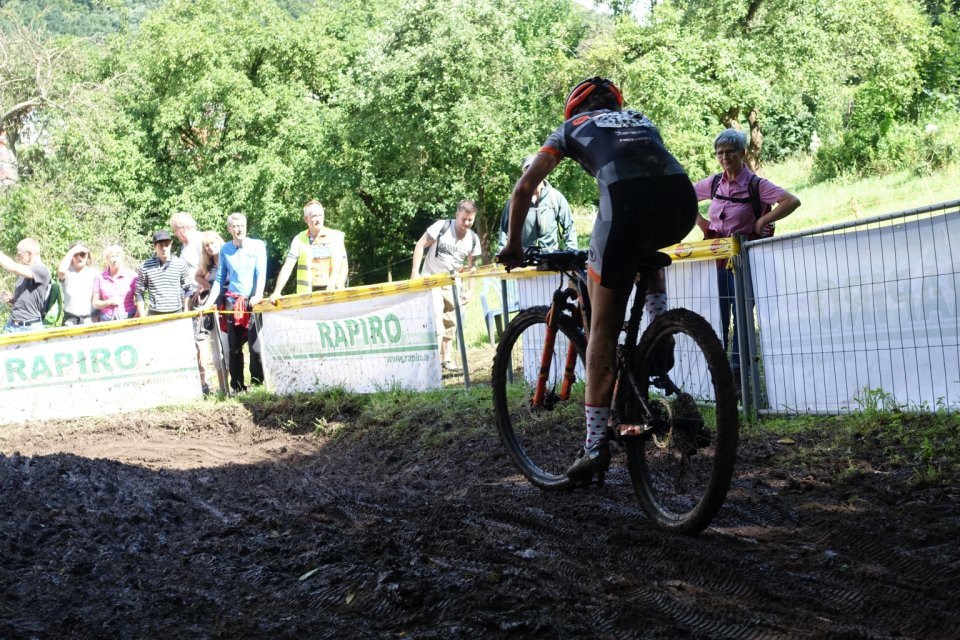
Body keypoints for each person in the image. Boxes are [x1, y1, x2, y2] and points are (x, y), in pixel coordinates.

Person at [498, 77, 698, 481]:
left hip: (625, 208)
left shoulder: (570, 128)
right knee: (646, 243)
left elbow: (524, 189)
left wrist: (515, 246)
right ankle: (660, 335)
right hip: (682, 202)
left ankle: (594, 448)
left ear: (575, 109)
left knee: (602, 334)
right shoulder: (640, 120)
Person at [693, 128, 801, 386]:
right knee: (717, 317)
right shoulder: (715, 182)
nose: (724, 157)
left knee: (741, 319)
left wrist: (764, 219)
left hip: (743, 263)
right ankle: (718, 376)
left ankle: (739, 377)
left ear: (742, 153)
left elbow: (791, 201)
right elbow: (683, 195)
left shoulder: (756, 185)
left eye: (730, 151)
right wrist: (701, 223)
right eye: (720, 153)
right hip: (715, 261)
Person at [198, 213, 267, 393]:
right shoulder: (225, 250)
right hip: (232, 303)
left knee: (255, 348)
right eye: (235, 226)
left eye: (242, 225)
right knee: (234, 349)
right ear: (229, 229)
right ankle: (237, 387)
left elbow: (261, 273)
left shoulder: (258, 246)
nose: (239, 229)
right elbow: (219, 280)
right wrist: (207, 305)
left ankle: (258, 385)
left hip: (252, 303)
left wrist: (258, 295)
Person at [410, 199, 482, 371]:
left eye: (470, 220)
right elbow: (420, 244)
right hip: (431, 278)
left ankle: (446, 359)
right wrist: (415, 272)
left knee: (451, 321)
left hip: (453, 283)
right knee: (435, 318)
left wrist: (470, 290)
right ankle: (431, 363)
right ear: (457, 215)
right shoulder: (441, 227)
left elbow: (472, 266)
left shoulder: (473, 239)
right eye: (463, 219)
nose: (466, 223)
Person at [268, 200, 348, 304]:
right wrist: (277, 292)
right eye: (314, 216)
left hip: (332, 295)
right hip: (307, 298)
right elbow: (288, 266)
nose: (318, 219)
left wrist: (338, 288)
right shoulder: (299, 239)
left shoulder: (335, 236)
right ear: (306, 219)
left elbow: (344, 266)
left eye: (320, 215)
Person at [497, 154, 577, 252]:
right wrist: (502, 255)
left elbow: (569, 226)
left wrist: (572, 252)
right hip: (525, 259)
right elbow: (504, 230)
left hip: (551, 258)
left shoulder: (555, 197)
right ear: (524, 173)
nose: (533, 174)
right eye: (528, 170)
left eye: (536, 169)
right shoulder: (516, 201)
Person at [170, 211, 212, 393]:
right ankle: (200, 380)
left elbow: (211, 263)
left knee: (201, 339)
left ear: (183, 228)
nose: (175, 235)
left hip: (202, 294)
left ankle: (207, 381)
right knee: (194, 339)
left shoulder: (199, 240)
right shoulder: (185, 246)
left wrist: (204, 284)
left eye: (175, 230)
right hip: (189, 295)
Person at [195, 230, 229, 394]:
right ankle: (223, 388)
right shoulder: (207, 265)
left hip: (229, 306)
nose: (210, 247)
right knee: (217, 349)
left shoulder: (228, 258)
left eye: (212, 243)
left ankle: (234, 385)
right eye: (206, 245)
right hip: (213, 306)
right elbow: (198, 276)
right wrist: (210, 287)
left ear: (219, 242)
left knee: (229, 347)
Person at [0, 237, 51, 333]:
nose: (17, 258)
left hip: (30, 328)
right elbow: (28, 300)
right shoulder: (25, 273)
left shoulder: (42, 271)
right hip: (12, 325)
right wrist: (12, 299)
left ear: (30, 254)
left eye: (20, 255)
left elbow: (13, 267)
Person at [135, 230, 190, 317]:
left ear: (171, 244)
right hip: (154, 314)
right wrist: (142, 317)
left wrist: (186, 310)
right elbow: (139, 293)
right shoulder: (145, 267)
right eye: (161, 245)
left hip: (176, 312)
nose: (164, 248)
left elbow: (188, 288)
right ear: (154, 246)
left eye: (166, 245)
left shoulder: (180, 264)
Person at [92, 244, 137, 321]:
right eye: (112, 256)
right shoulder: (100, 277)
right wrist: (109, 302)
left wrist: (137, 316)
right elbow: (95, 303)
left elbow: (140, 299)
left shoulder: (132, 276)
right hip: (106, 319)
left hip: (129, 318)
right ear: (107, 259)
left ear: (122, 258)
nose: (115, 259)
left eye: (117, 256)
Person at [57, 241, 97, 325]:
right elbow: (61, 271)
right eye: (76, 254)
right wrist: (73, 250)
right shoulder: (67, 272)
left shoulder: (94, 273)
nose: (79, 257)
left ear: (87, 256)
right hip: (70, 321)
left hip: (89, 320)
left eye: (82, 254)